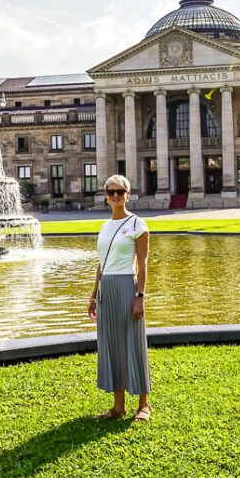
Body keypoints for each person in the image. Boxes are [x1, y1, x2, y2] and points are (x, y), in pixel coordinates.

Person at [87, 175, 152, 422]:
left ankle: (144, 405)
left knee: (133, 344)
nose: (115, 196)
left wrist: (140, 297)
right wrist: (93, 295)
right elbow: (101, 264)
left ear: (128, 194)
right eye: (111, 192)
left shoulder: (138, 224)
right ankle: (118, 406)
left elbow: (143, 265)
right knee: (112, 346)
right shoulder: (104, 227)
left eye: (120, 192)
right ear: (106, 195)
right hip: (106, 289)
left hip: (126, 286)